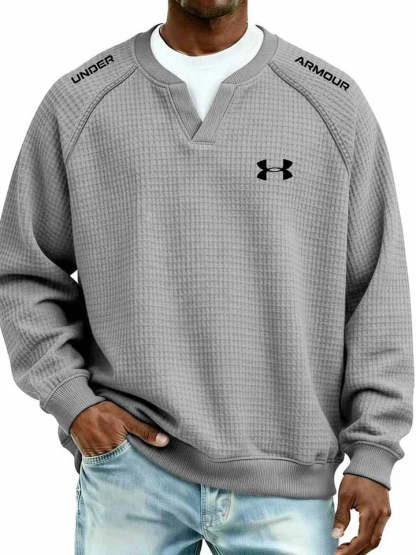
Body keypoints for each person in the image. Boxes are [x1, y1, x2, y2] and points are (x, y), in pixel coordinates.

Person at [0, 1, 413, 553]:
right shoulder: (80, 100)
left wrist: (374, 452)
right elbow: (24, 272)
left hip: (287, 481)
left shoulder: (333, 103)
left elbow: (376, 294)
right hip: (131, 470)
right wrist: (72, 401)